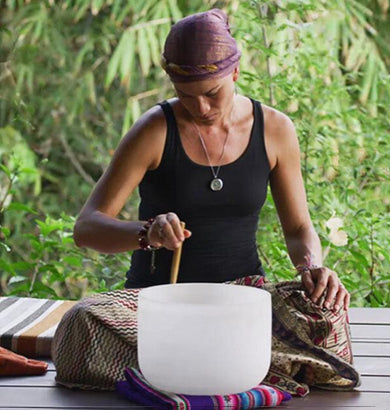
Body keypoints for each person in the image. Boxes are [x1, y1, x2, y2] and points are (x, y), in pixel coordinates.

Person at [73, 8, 349, 313]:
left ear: (235, 72)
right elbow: (87, 228)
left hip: (242, 301)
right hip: (157, 303)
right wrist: (148, 232)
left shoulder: (275, 130)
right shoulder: (154, 131)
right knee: (82, 317)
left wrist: (311, 268)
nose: (201, 107)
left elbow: (298, 229)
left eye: (212, 93)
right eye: (185, 95)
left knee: (325, 318)